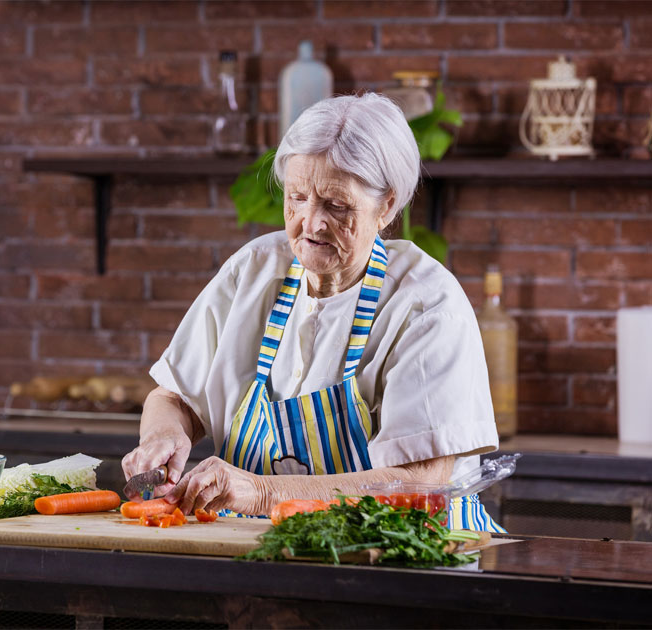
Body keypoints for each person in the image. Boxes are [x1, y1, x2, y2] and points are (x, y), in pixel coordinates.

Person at [123, 93, 504, 531]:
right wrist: (164, 435)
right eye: (297, 197)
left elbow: (420, 482)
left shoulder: (426, 305)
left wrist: (262, 492)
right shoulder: (254, 271)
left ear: (386, 206)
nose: (311, 222)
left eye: (336, 205)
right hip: (262, 551)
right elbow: (173, 397)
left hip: (403, 559)